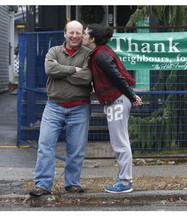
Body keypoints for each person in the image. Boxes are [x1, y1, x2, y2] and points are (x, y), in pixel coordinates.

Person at [29, 20, 92, 197]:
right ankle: (42, 184)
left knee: (76, 148)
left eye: (78, 33)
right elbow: (49, 69)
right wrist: (74, 70)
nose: (74, 36)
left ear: (82, 35)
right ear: (65, 33)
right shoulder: (54, 51)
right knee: (45, 145)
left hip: (79, 107)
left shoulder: (89, 54)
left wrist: (62, 73)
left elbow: (87, 78)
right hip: (53, 106)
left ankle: (72, 183)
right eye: (71, 32)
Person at [82, 24, 143, 193]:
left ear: (92, 39)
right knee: (120, 141)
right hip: (116, 100)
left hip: (117, 100)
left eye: (85, 34)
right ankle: (123, 178)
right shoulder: (100, 52)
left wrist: (131, 96)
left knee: (120, 142)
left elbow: (117, 77)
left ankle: (125, 182)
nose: (83, 36)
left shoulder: (101, 55)